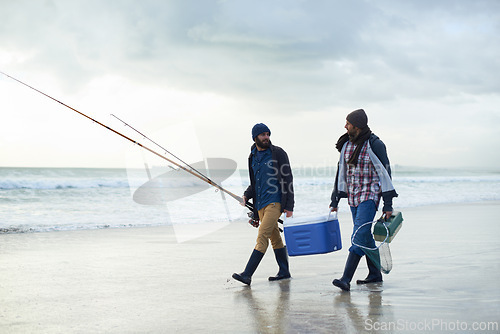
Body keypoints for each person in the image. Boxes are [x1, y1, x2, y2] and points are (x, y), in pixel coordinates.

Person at [330, 109, 398, 291]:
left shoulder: (375, 144)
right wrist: (335, 199)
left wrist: (387, 204)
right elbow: (340, 173)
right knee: (365, 237)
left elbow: (385, 174)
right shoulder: (346, 145)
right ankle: (375, 274)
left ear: (357, 126)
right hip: (353, 196)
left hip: (369, 196)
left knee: (358, 236)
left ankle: (345, 279)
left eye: (348, 123)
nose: (345, 126)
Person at [232, 123, 294, 285]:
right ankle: (284, 271)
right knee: (275, 237)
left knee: (262, 236)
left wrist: (289, 206)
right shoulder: (252, 157)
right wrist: (246, 196)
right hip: (260, 204)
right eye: (263, 135)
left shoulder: (278, 153)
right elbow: (255, 183)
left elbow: (288, 179)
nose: (266, 137)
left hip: (275, 202)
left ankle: (247, 274)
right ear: (255, 138)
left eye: (268, 134)